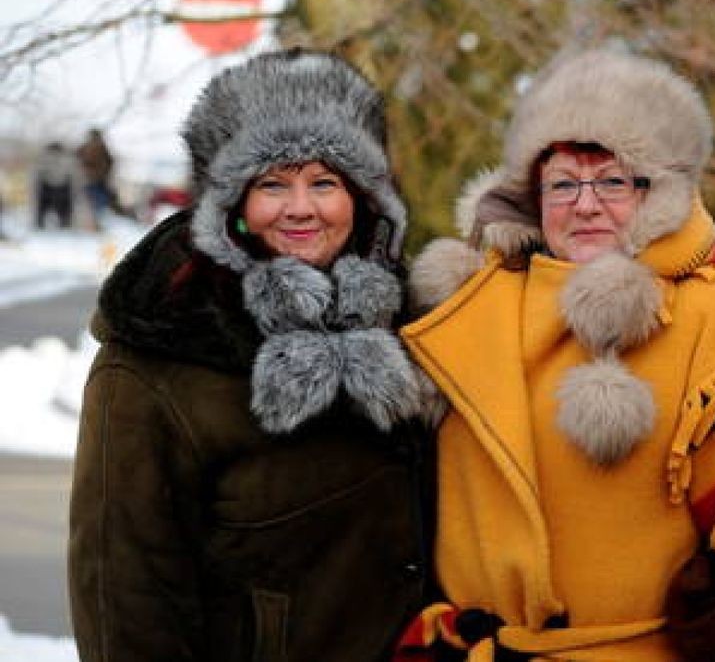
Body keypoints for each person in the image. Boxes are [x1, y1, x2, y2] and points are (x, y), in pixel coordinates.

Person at [396, 48, 715, 661]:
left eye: (612, 181)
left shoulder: (711, 317)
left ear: (657, 194)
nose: (585, 205)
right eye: (562, 183)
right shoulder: (467, 310)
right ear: (531, 197)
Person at [69, 50, 440, 662]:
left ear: (364, 199)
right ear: (230, 204)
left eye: (324, 182)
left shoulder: (407, 323)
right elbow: (126, 609)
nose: (300, 207)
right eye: (272, 183)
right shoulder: (158, 356)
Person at [76, 127, 119, 225]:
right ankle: (94, 222)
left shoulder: (101, 148)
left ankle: (96, 222)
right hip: (91, 179)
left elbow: (110, 162)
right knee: (92, 201)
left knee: (97, 202)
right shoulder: (87, 147)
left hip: (96, 180)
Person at [35, 141, 75, 229]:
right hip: (52, 186)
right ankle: (41, 224)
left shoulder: (64, 158)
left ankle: (64, 223)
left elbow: (69, 173)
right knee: (46, 208)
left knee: (63, 209)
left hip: (58, 186)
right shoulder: (47, 157)